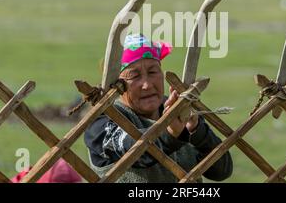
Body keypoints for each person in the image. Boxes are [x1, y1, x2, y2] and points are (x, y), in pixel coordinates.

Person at [84, 33, 233, 182]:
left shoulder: (180, 110)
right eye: (134, 76)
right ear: (117, 85)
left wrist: (197, 129)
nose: (147, 85)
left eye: (152, 72)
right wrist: (171, 133)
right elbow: (136, 153)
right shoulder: (102, 122)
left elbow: (221, 171)